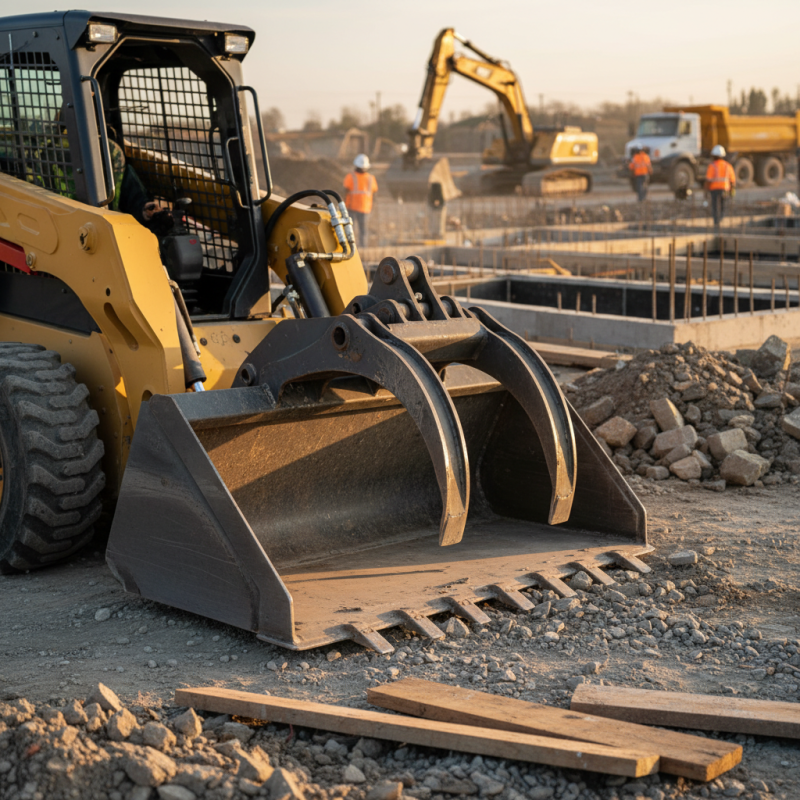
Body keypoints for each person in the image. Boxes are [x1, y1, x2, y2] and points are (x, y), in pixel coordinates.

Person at [343, 154, 378, 246]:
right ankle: (362, 248)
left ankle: (350, 248)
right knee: (363, 231)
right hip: (364, 208)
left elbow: (345, 191)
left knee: (350, 230)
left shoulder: (350, 176)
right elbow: (374, 194)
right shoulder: (371, 178)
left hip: (352, 207)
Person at [705, 144, 736, 230]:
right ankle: (721, 218)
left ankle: (716, 221)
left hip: (714, 189)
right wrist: (732, 189)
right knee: (722, 205)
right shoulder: (727, 166)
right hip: (725, 189)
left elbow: (708, 180)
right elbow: (732, 180)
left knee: (715, 206)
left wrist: (706, 191)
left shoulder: (712, 166)